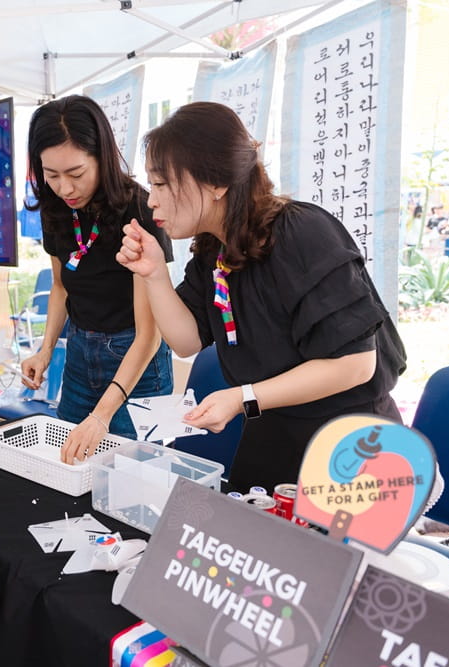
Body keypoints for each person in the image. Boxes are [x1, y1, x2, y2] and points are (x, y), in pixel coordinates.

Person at [117, 102, 407, 493]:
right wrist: (154, 275)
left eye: (162, 183)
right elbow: (185, 341)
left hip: (351, 446)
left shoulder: (301, 233)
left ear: (216, 182)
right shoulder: (212, 252)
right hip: (274, 432)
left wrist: (244, 397)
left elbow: (354, 365)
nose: (152, 200)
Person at [21, 95, 173, 462]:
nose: (65, 188)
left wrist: (101, 415)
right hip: (79, 354)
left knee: (137, 480)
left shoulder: (139, 209)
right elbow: (61, 287)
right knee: (70, 468)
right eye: (51, 175)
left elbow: (149, 334)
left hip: (136, 362)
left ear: (101, 157)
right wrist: (44, 351)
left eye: (75, 174)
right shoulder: (54, 207)